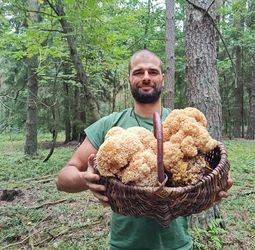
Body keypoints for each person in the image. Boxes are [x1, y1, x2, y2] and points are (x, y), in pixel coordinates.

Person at [56, 49, 233, 250]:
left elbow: (201, 170)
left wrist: (207, 196)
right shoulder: (110, 125)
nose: (146, 77)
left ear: (163, 78)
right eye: (138, 72)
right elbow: (62, 179)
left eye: (153, 72)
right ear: (130, 79)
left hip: (178, 245)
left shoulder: (182, 124)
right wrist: (85, 180)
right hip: (125, 245)